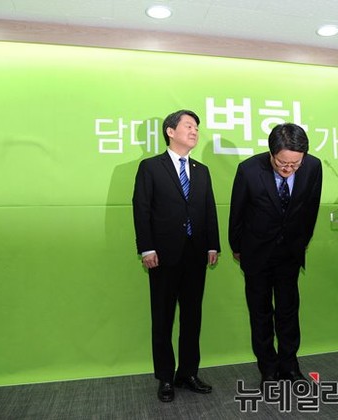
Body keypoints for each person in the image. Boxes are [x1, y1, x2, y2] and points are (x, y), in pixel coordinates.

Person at [132, 109, 220, 402]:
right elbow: (141, 208)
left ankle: (188, 373)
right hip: (163, 255)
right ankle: (166, 378)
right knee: (163, 318)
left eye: (196, 128)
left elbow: (209, 209)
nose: (194, 131)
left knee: (192, 318)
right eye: (189, 126)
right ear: (170, 131)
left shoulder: (201, 170)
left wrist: (212, 245)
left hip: (196, 254)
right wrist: (146, 247)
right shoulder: (150, 167)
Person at [229, 123, 322, 388]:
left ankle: (290, 366)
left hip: (290, 252)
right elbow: (237, 213)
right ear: (272, 153)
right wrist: (238, 248)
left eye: (295, 164)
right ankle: (268, 368)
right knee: (260, 313)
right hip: (256, 252)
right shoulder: (249, 169)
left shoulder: (313, 167)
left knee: (288, 312)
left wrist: (302, 243)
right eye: (282, 163)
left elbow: (311, 208)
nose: (288, 168)